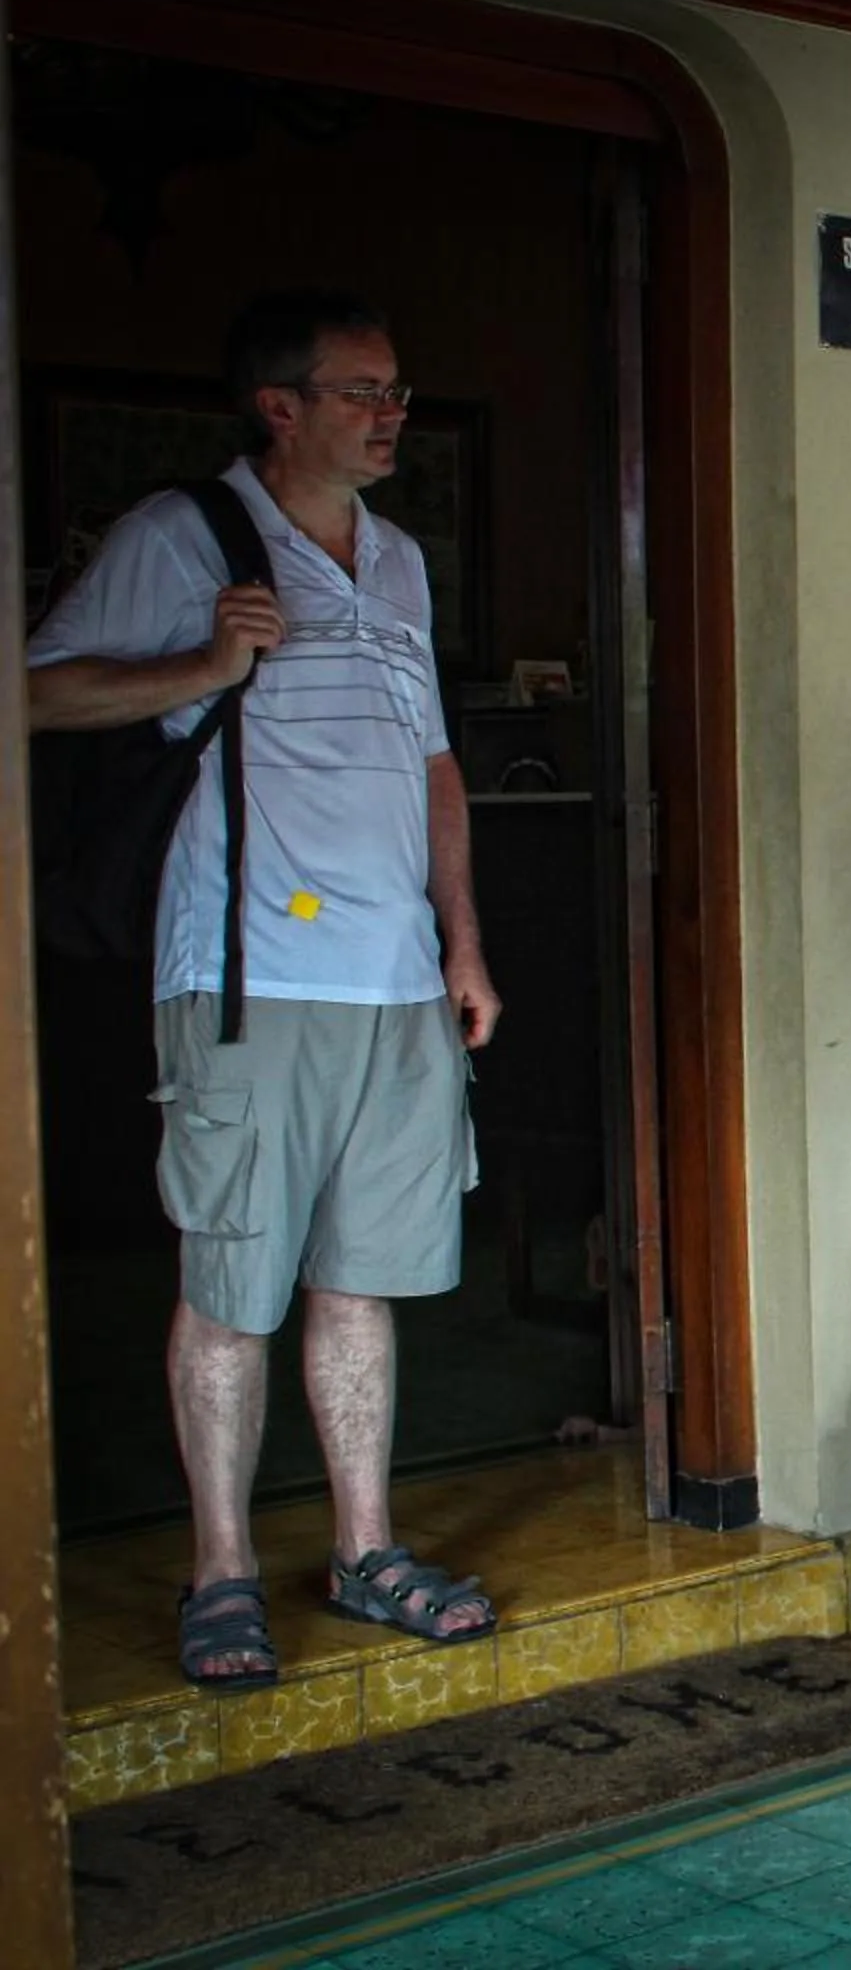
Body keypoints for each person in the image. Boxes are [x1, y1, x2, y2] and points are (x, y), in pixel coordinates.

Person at [26, 292, 501, 1689]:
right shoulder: (186, 538)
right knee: (231, 1281)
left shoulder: (402, 561)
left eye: (398, 390)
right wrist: (204, 665)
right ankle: (221, 1568)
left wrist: (460, 940)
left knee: (364, 1280)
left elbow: (433, 768)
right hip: (247, 973)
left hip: (394, 981)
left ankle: (366, 1549)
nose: (390, 414)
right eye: (362, 390)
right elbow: (34, 692)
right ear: (277, 406)